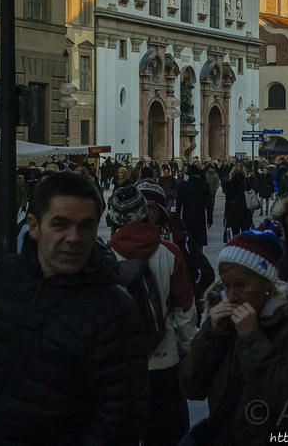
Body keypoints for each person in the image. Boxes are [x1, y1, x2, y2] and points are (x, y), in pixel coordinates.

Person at [0, 173, 148, 446]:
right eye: (60, 225)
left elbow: (118, 422)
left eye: (86, 226)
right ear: (34, 226)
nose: (73, 238)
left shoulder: (115, 311)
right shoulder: (2, 278)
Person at [180, 224, 288, 445]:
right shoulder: (223, 318)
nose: (232, 295)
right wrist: (211, 335)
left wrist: (253, 339)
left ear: (267, 283)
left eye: (242, 285)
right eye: (226, 285)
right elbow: (191, 387)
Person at [108, 185, 197, 446]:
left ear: (113, 217)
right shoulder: (170, 252)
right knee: (168, 432)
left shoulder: (104, 255)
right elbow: (185, 308)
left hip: (120, 362)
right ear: (144, 214)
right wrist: (188, 346)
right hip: (164, 359)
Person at [176, 165, 213, 248]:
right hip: (200, 216)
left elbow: (179, 204)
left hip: (187, 216)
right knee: (199, 241)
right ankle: (199, 257)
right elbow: (209, 204)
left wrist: (177, 218)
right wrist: (210, 219)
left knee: (189, 239)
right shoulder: (204, 185)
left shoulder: (183, 186)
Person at [223, 163, 253, 238]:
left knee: (235, 232)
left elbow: (228, 199)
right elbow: (252, 192)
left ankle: (236, 247)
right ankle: (244, 247)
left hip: (234, 209)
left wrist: (226, 213)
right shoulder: (246, 181)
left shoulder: (229, 183)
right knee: (245, 232)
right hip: (245, 208)